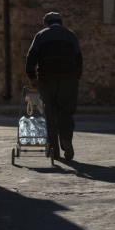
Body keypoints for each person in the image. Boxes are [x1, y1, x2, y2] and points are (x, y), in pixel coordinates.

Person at [25, 12, 83, 160]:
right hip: (68, 78)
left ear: (47, 23)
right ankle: (66, 140)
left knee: (49, 113)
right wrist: (76, 77)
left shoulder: (40, 36)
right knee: (66, 111)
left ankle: (54, 150)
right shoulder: (71, 35)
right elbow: (78, 58)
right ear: (61, 22)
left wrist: (32, 77)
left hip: (46, 78)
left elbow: (31, 57)